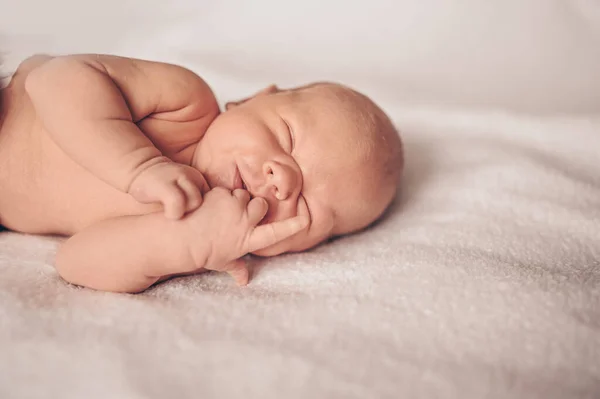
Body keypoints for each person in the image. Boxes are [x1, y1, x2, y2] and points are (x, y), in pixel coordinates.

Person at [0, 54, 403, 293]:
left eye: (313, 209)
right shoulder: (185, 105)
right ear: (250, 100)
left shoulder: (196, 240)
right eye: (288, 136)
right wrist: (139, 166)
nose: (283, 181)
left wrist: (187, 242)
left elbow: (74, 263)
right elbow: (52, 80)